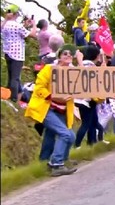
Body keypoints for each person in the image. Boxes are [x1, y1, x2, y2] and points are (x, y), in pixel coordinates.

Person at [25, 44, 79, 176]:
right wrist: (52, 96)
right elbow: (39, 87)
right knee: (65, 134)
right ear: (59, 56)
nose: (68, 56)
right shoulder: (50, 69)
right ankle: (57, 164)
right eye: (65, 53)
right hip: (47, 108)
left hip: (62, 110)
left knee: (66, 135)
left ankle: (48, 160)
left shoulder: (73, 72)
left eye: (70, 54)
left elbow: (86, 82)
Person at [1, 4, 37, 103]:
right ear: (16, 14)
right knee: (15, 78)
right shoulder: (17, 26)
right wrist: (34, 24)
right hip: (17, 54)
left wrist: (26, 25)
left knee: (11, 76)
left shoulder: (5, 24)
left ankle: (7, 95)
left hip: (8, 52)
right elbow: (33, 35)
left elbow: (18, 31)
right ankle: (13, 98)